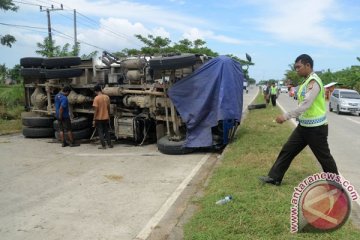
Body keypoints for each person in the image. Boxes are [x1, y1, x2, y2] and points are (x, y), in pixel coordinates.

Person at [259, 54, 339, 186]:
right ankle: (274, 177)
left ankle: (336, 187)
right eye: (295, 67)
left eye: (298, 67)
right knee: (287, 150)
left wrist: (285, 116)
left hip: (316, 129)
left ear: (308, 65)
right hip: (303, 127)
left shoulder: (314, 81)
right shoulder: (305, 82)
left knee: (324, 158)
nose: (297, 70)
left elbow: (306, 104)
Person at [93, 85, 113, 149]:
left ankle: (103, 146)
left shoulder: (96, 98)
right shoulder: (107, 97)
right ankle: (109, 144)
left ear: (96, 91)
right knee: (106, 131)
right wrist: (109, 115)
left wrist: (94, 119)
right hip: (106, 117)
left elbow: (96, 110)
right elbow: (108, 108)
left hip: (99, 118)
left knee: (100, 132)